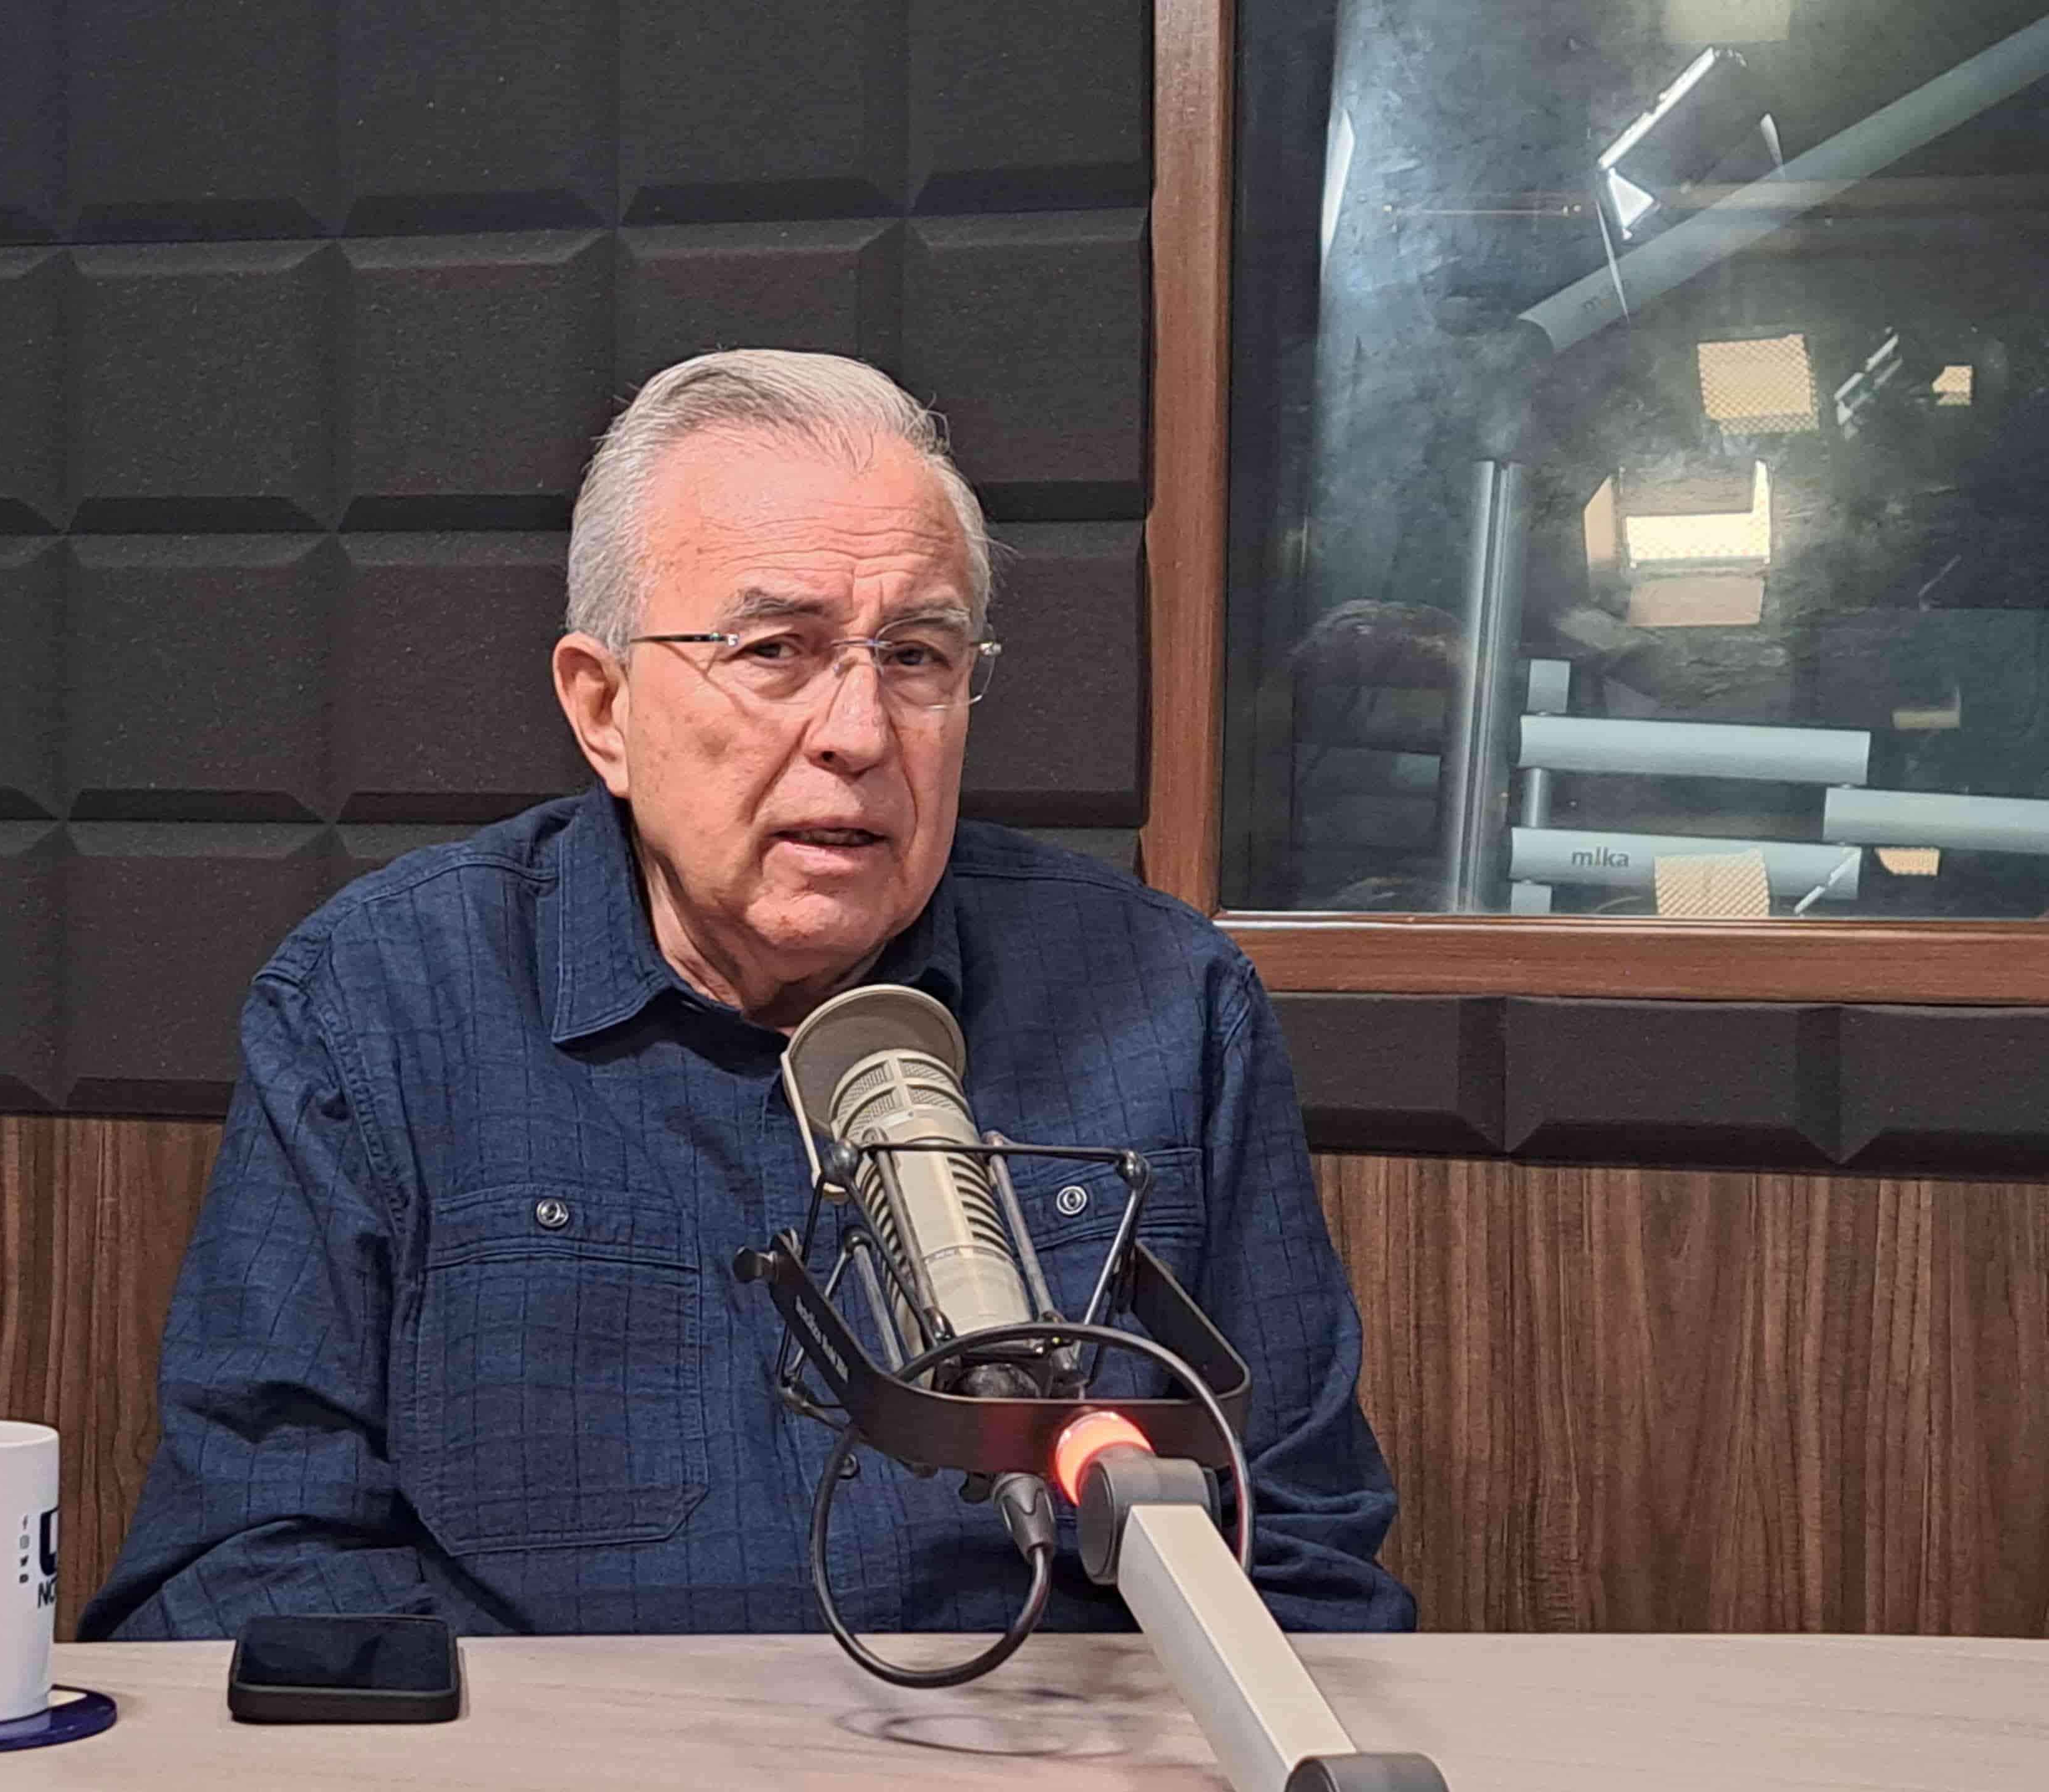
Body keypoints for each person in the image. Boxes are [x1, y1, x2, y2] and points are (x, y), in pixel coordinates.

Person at [83, 350, 1414, 1641]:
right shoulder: (379, 1002)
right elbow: (250, 1564)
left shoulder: (1165, 1005)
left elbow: (1295, 1556)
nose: (856, 731)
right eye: (776, 649)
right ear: (602, 709)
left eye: (916, 658)